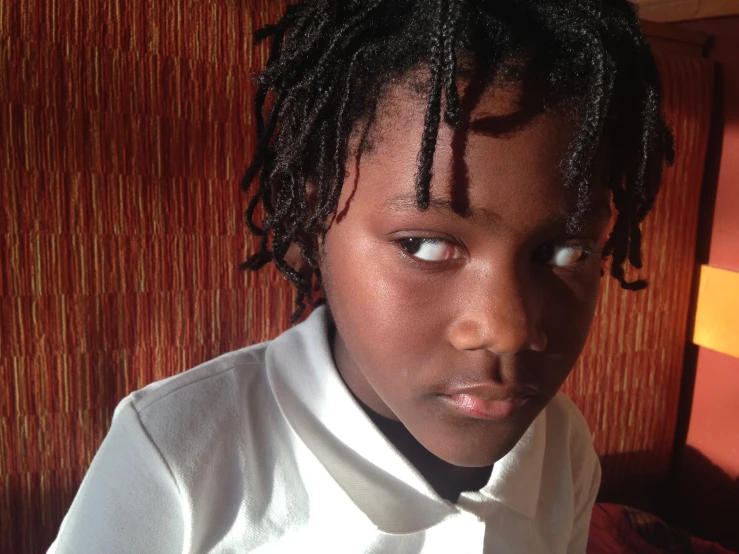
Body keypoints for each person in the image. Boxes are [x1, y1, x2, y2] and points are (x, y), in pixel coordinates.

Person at [48, 0, 674, 552]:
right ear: (311, 222)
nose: (509, 331)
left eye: (565, 253)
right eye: (426, 245)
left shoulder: (563, 450)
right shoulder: (177, 459)